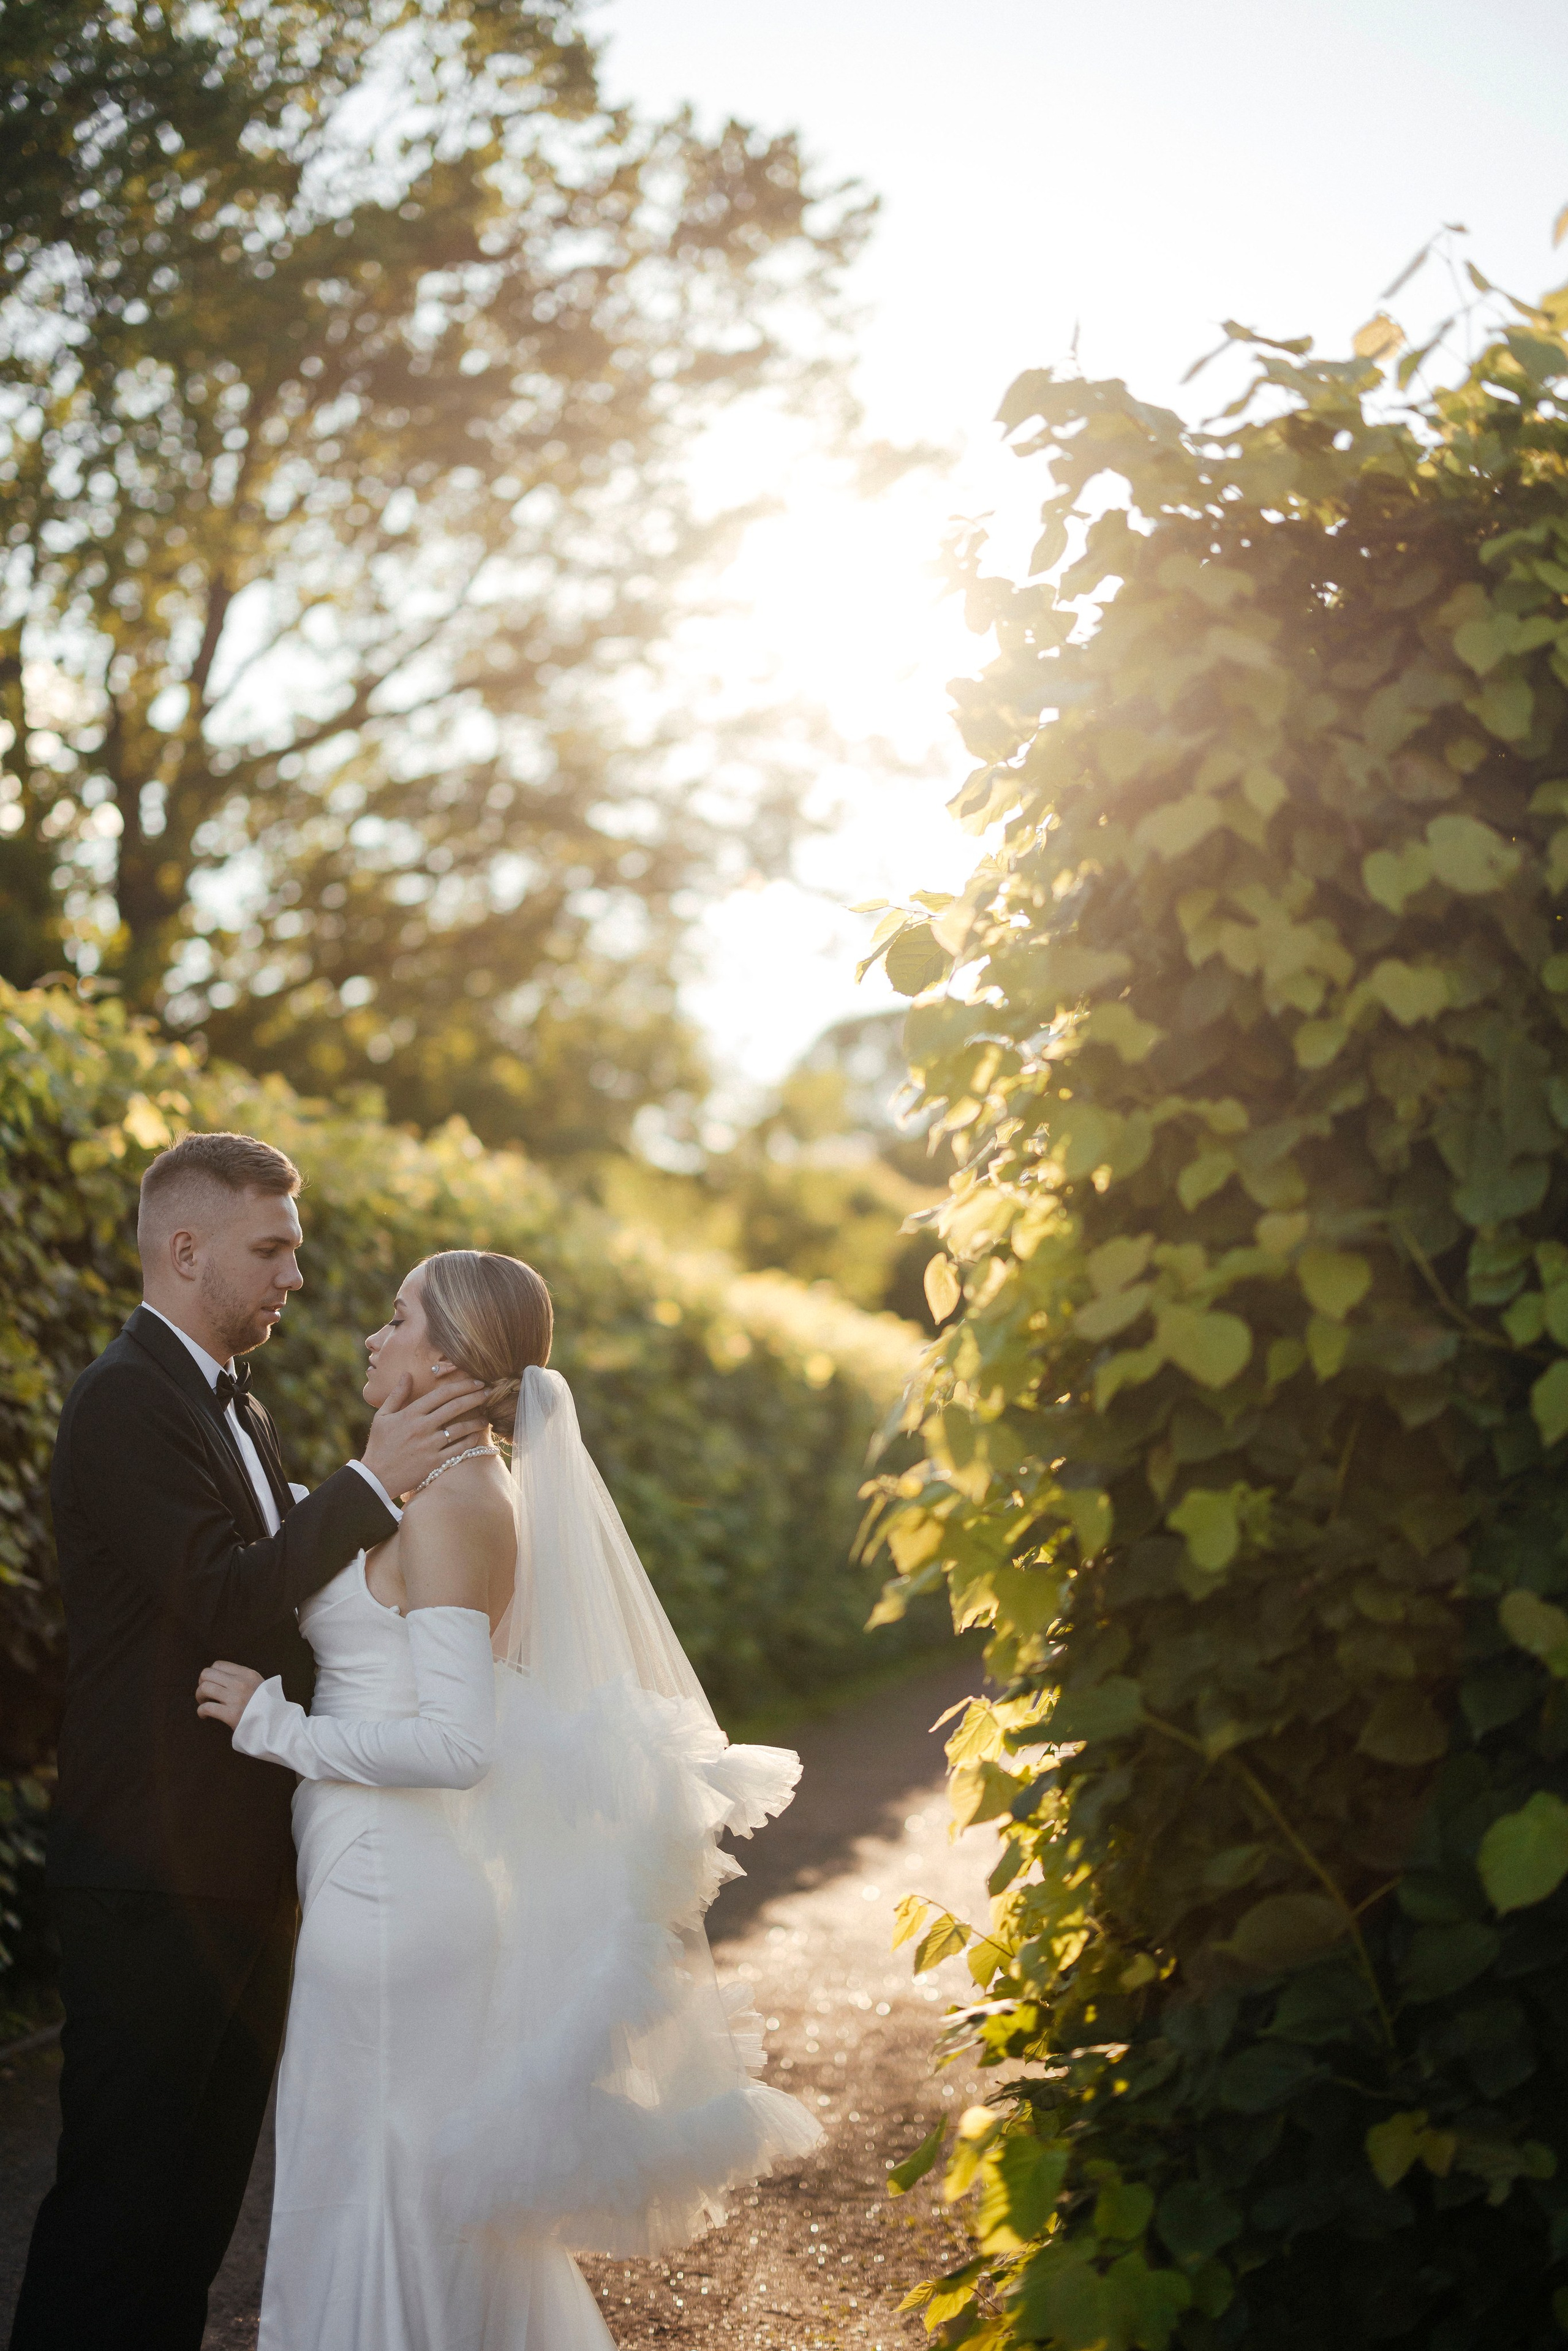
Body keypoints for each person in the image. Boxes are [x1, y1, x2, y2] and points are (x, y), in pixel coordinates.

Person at [191, 1248, 823, 2349]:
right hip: (380, 1872)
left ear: (448, 1358)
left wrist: (273, 1726)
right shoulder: (442, 1489)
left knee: (376, 2186)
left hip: (392, 1891)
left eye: (398, 1317)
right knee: (395, 2183)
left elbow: (455, 1742)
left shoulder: (458, 1505)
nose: (374, 1336)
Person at [9, 1132, 491, 2351]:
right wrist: (371, 1486)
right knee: (118, 2205)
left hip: (251, 1869)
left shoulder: (243, 1404)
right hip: (151, 1866)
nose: (295, 1275)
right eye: (271, 1248)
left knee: (192, 2216)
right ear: (186, 1249)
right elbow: (222, 1598)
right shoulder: (125, 1398)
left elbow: (294, 1610)